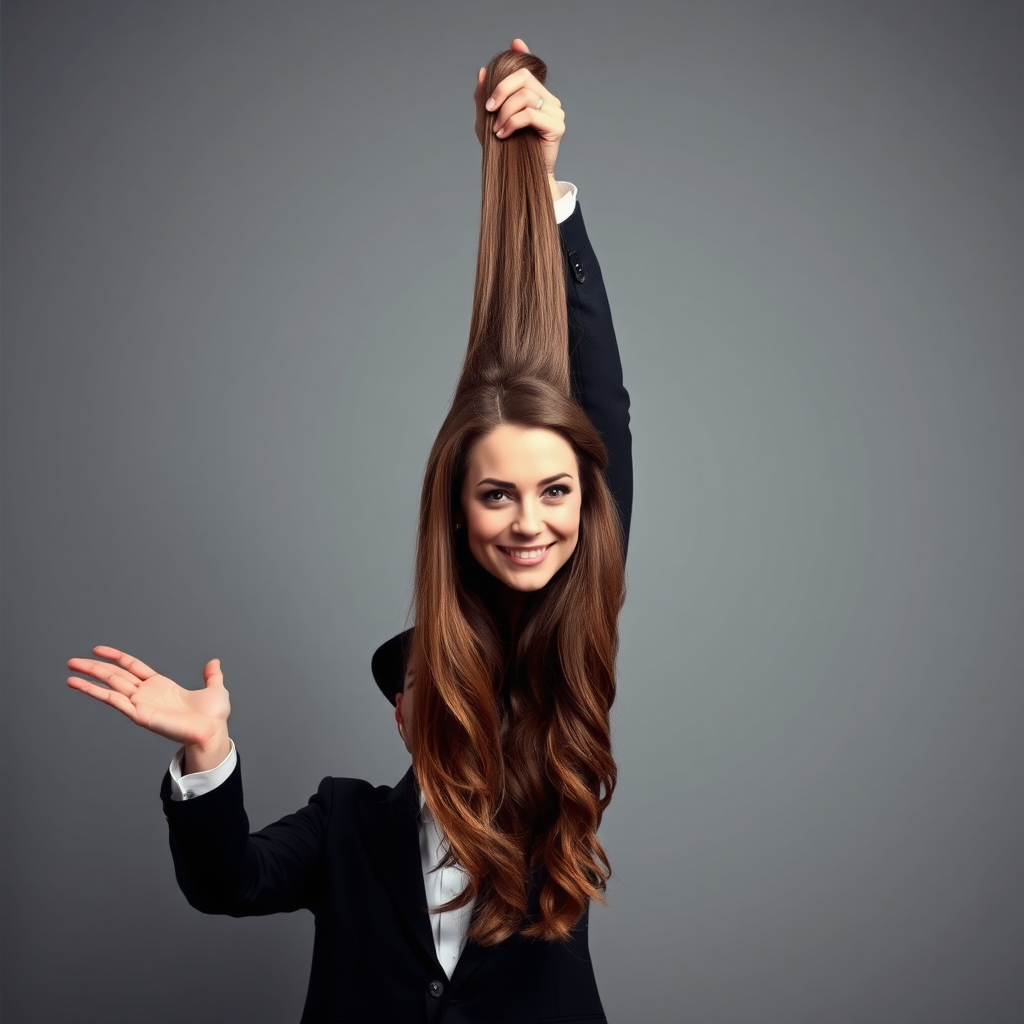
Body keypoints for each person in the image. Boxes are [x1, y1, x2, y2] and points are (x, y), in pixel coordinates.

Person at [67, 41, 629, 1024]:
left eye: (550, 495)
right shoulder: (344, 823)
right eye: (428, 690)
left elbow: (598, 426)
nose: (529, 518)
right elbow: (227, 880)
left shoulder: (551, 757)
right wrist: (206, 754)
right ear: (403, 720)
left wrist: (542, 198)